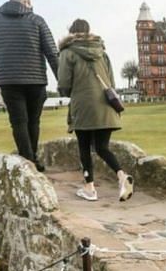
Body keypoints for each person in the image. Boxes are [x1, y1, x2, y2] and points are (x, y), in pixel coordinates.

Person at [0, 0, 59, 170]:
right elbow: (52, 53)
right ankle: (32, 159)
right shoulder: (37, 20)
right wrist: (62, 80)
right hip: (36, 79)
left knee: (18, 121)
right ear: (26, 2)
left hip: (8, 79)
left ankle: (27, 161)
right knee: (33, 120)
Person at [55, 18, 131, 202]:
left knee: (84, 147)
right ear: (89, 31)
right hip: (105, 106)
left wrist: (68, 91)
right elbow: (111, 83)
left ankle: (90, 188)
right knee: (102, 147)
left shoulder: (67, 53)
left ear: (71, 32)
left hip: (83, 106)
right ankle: (122, 176)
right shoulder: (102, 52)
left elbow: (64, 83)